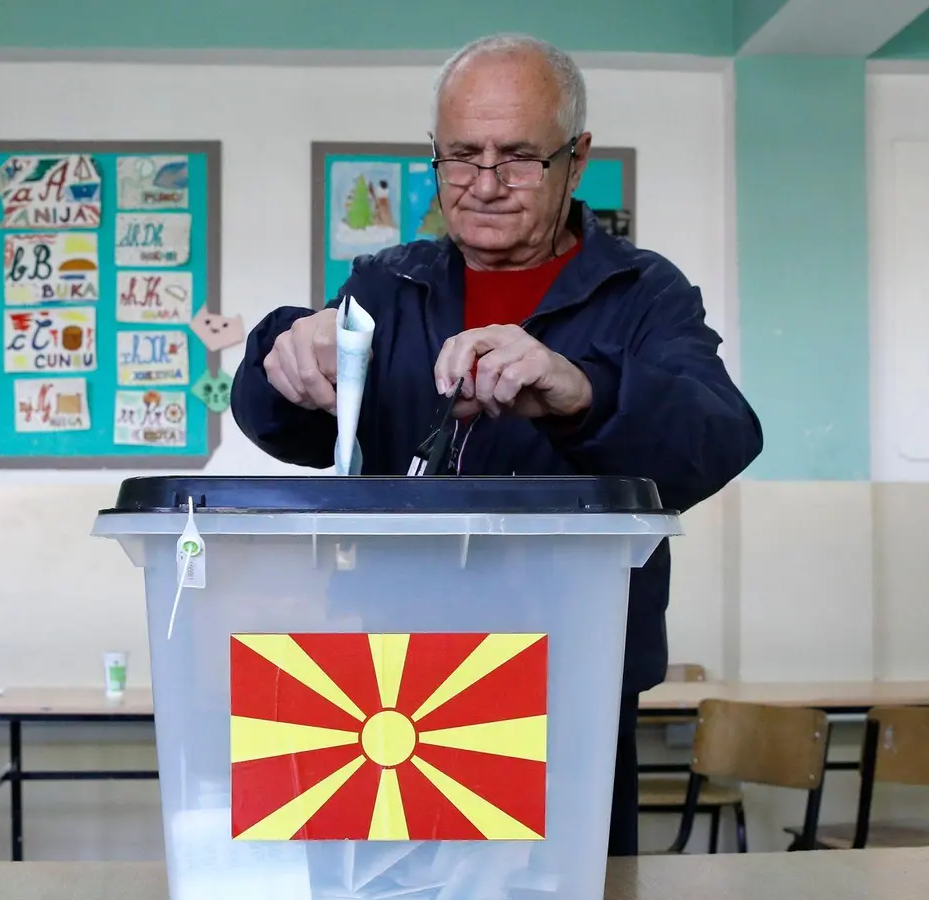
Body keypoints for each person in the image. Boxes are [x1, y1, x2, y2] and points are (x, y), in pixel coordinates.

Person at [232, 34, 762, 856]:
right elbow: (292, 429)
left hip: (572, 679)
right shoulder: (386, 286)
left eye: (518, 158)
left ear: (576, 159)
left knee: (570, 884)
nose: (483, 186)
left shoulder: (641, 292)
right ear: (433, 156)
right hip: (383, 685)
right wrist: (282, 356)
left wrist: (581, 391)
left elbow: (719, 437)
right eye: (460, 157)